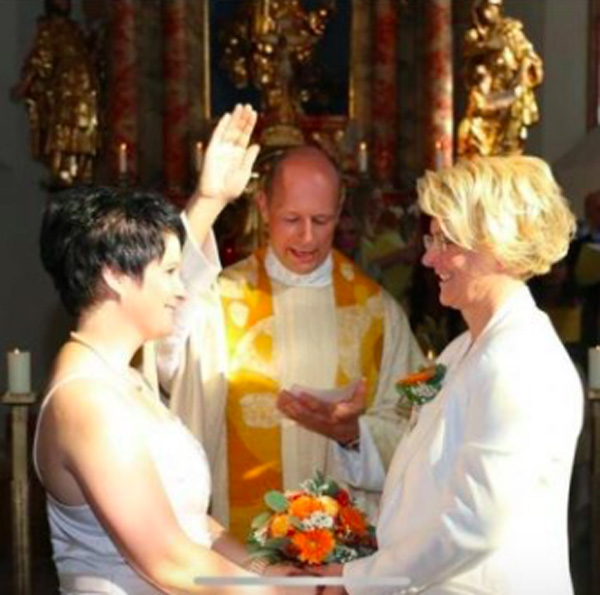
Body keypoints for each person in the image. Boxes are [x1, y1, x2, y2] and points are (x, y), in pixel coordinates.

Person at [35, 106, 313, 594]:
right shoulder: (88, 402)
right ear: (114, 276)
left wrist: (271, 570)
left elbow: (192, 524)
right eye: (167, 273)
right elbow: (167, 561)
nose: (181, 289)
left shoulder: (124, 376)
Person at [315, 155, 583, 594]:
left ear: (499, 245)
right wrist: (351, 436)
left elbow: (475, 523)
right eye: (431, 239)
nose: (428, 258)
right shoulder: (461, 350)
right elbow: (423, 471)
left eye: (447, 242)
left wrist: (359, 582)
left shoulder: (519, 362)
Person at [157, 145, 424, 540]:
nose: (307, 237)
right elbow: (165, 359)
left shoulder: (377, 314)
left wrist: (353, 434)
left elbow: (417, 429)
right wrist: (208, 201)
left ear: (340, 209)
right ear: (263, 206)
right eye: (291, 219)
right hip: (241, 553)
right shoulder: (219, 300)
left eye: (322, 220)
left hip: (340, 557)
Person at [13, 0, 100, 186]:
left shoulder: (75, 29)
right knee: (63, 128)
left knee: (85, 127)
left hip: (85, 89)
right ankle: (62, 169)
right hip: (65, 89)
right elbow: (40, 59)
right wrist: (25, 84)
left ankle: (84, 169)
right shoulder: (49, 28)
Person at [457, 0, 543, 157]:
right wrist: (482, 55)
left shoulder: (510, 31)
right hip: (487, 95)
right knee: (472, 130)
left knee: (508, 144)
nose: (486, 12)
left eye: (490, 7)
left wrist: (521, 77)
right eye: (483, 8)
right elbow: (470, 62)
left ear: (498, 8)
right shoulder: (478, 34)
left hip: (510, 93)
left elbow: (529, 58)